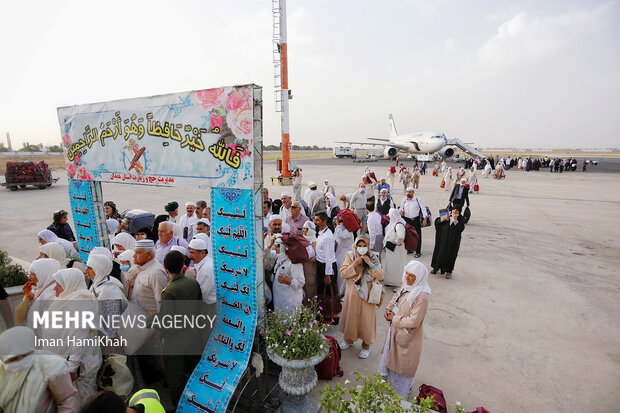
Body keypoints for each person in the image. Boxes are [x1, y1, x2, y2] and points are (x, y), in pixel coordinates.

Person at [151, 250, 203, 406]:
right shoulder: (192, 283)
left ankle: (179, 405)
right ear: (183, 265)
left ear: (165, 267)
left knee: (175, 376)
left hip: (176, 339)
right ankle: (200, 401)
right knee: (196, 369)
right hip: (194, 334)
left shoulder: (169, 291)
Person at [46, 269, 102, 408]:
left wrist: (72, 368)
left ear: (69, 285)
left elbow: (79, 339)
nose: (55, 288)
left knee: (81, 401)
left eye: (58, 285)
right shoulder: (68, 300)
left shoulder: (81, 304)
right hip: (69, 361)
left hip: (81, 364)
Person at [378, 260, 431, 398]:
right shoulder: (407, 285)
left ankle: (402, 392)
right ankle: (392, 385)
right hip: (395, 329)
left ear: (419, 277)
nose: (407, 277)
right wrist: (388, 309)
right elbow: (396, 297)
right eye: (406, 273)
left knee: (403, 364)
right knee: (392, 357)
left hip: (407, 334)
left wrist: (394, 319)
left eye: (411, 275)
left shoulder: (422, 296)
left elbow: (414, 320)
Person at [0, 326, 78, 413]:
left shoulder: (52, 367)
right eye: (14, 359)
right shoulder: (2, 372)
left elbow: (66, 401)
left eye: (25, 355)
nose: (21, 360)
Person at [339, 236, 384, 359]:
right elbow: (343, 273)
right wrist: (355, 264)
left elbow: (380, 275)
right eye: (360, 245)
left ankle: (366, 346)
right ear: (355, 245)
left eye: (365, 246)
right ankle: (349, 340)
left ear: (369, 246)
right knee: (351, 318)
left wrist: (370, 264)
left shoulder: (374, 257)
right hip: (352, 295)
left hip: (367, 297)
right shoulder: (350, 255)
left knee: (366, 322)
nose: (362, 248)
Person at [85, 254, 126, 342]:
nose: (86, 271)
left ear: (99, 269)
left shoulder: (109, 289)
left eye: (90, 268)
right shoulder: (97, 283)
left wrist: (111, 340)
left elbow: (112, 317)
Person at [14, 258, 60, 328]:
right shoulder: (44, 287)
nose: (29, 277)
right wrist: (29, 295)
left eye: (32, 274)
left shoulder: (53, 293)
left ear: (44, 274)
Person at [132, 240, 169, 314]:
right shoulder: (143, 268)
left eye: (138, 253)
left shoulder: (156, 273)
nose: (134, 256)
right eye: (134, 252)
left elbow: (162, 303)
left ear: (149, 255)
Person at [270, 237, 305, 310]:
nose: (275, 249)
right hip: (280, 299)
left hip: (290, 301)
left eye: (277, 247)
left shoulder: (294, 262)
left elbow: (300, 282)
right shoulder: (279, 258)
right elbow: (266, 255)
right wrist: (269, 244)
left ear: (283, 247)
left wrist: (288, 281)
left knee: (290, 320)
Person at [430, 208, 465, 279]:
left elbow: (461, 229)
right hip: (442, 239)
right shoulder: (446, 214)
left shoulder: (460, 218)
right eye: (454, 209)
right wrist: (443, 218)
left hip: (452, 242)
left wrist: (455, 221)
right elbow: (437, 222)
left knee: (451, 255)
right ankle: (436, 268)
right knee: (439, 253)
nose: (455, 211)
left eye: (457, 210)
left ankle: (448, 271)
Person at [399, 187, 428, 257]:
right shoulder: (404, 200)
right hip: (407, 220)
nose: (408, 193)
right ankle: (410, 249)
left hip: (416, 220)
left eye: (410, 192)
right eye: (407, 192)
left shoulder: (418, 200)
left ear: (413, 193)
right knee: (408, 235)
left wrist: (425, 219)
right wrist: (401, 211)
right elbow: (401, 207)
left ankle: (418, 252)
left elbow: (423, 209)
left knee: (417, 236)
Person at [314, 212, 338, 295]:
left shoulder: (328, 236)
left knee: (328, 294)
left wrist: (327, 275)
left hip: (327, 267)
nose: (315, 222)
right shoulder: (321, 232)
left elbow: (329, 256)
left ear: (324, 221)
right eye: (315, 220)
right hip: (320, 265)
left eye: (317, 220)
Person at [383, 208, 408, 287]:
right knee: (390, 265)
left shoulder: (399, 224)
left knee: (397, 265)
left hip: (396, 249)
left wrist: (397, 242)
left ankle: (398, 283)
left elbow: (401, 236)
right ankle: (390, 281)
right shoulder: (392, 223)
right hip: (391, 249)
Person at [187, 238, 216, 304]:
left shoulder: (207, 268)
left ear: (202, 253)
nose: (189, 256)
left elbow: (202, 294)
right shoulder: (203, 264)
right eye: (189, 252)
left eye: (192, 253)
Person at [333, 217, 354, 296]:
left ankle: (341, 292)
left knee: (343, 272)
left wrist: (338, 225)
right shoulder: (343, 228)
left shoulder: (348, 230)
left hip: (346, 254)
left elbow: (340, 235)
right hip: (340, 252)